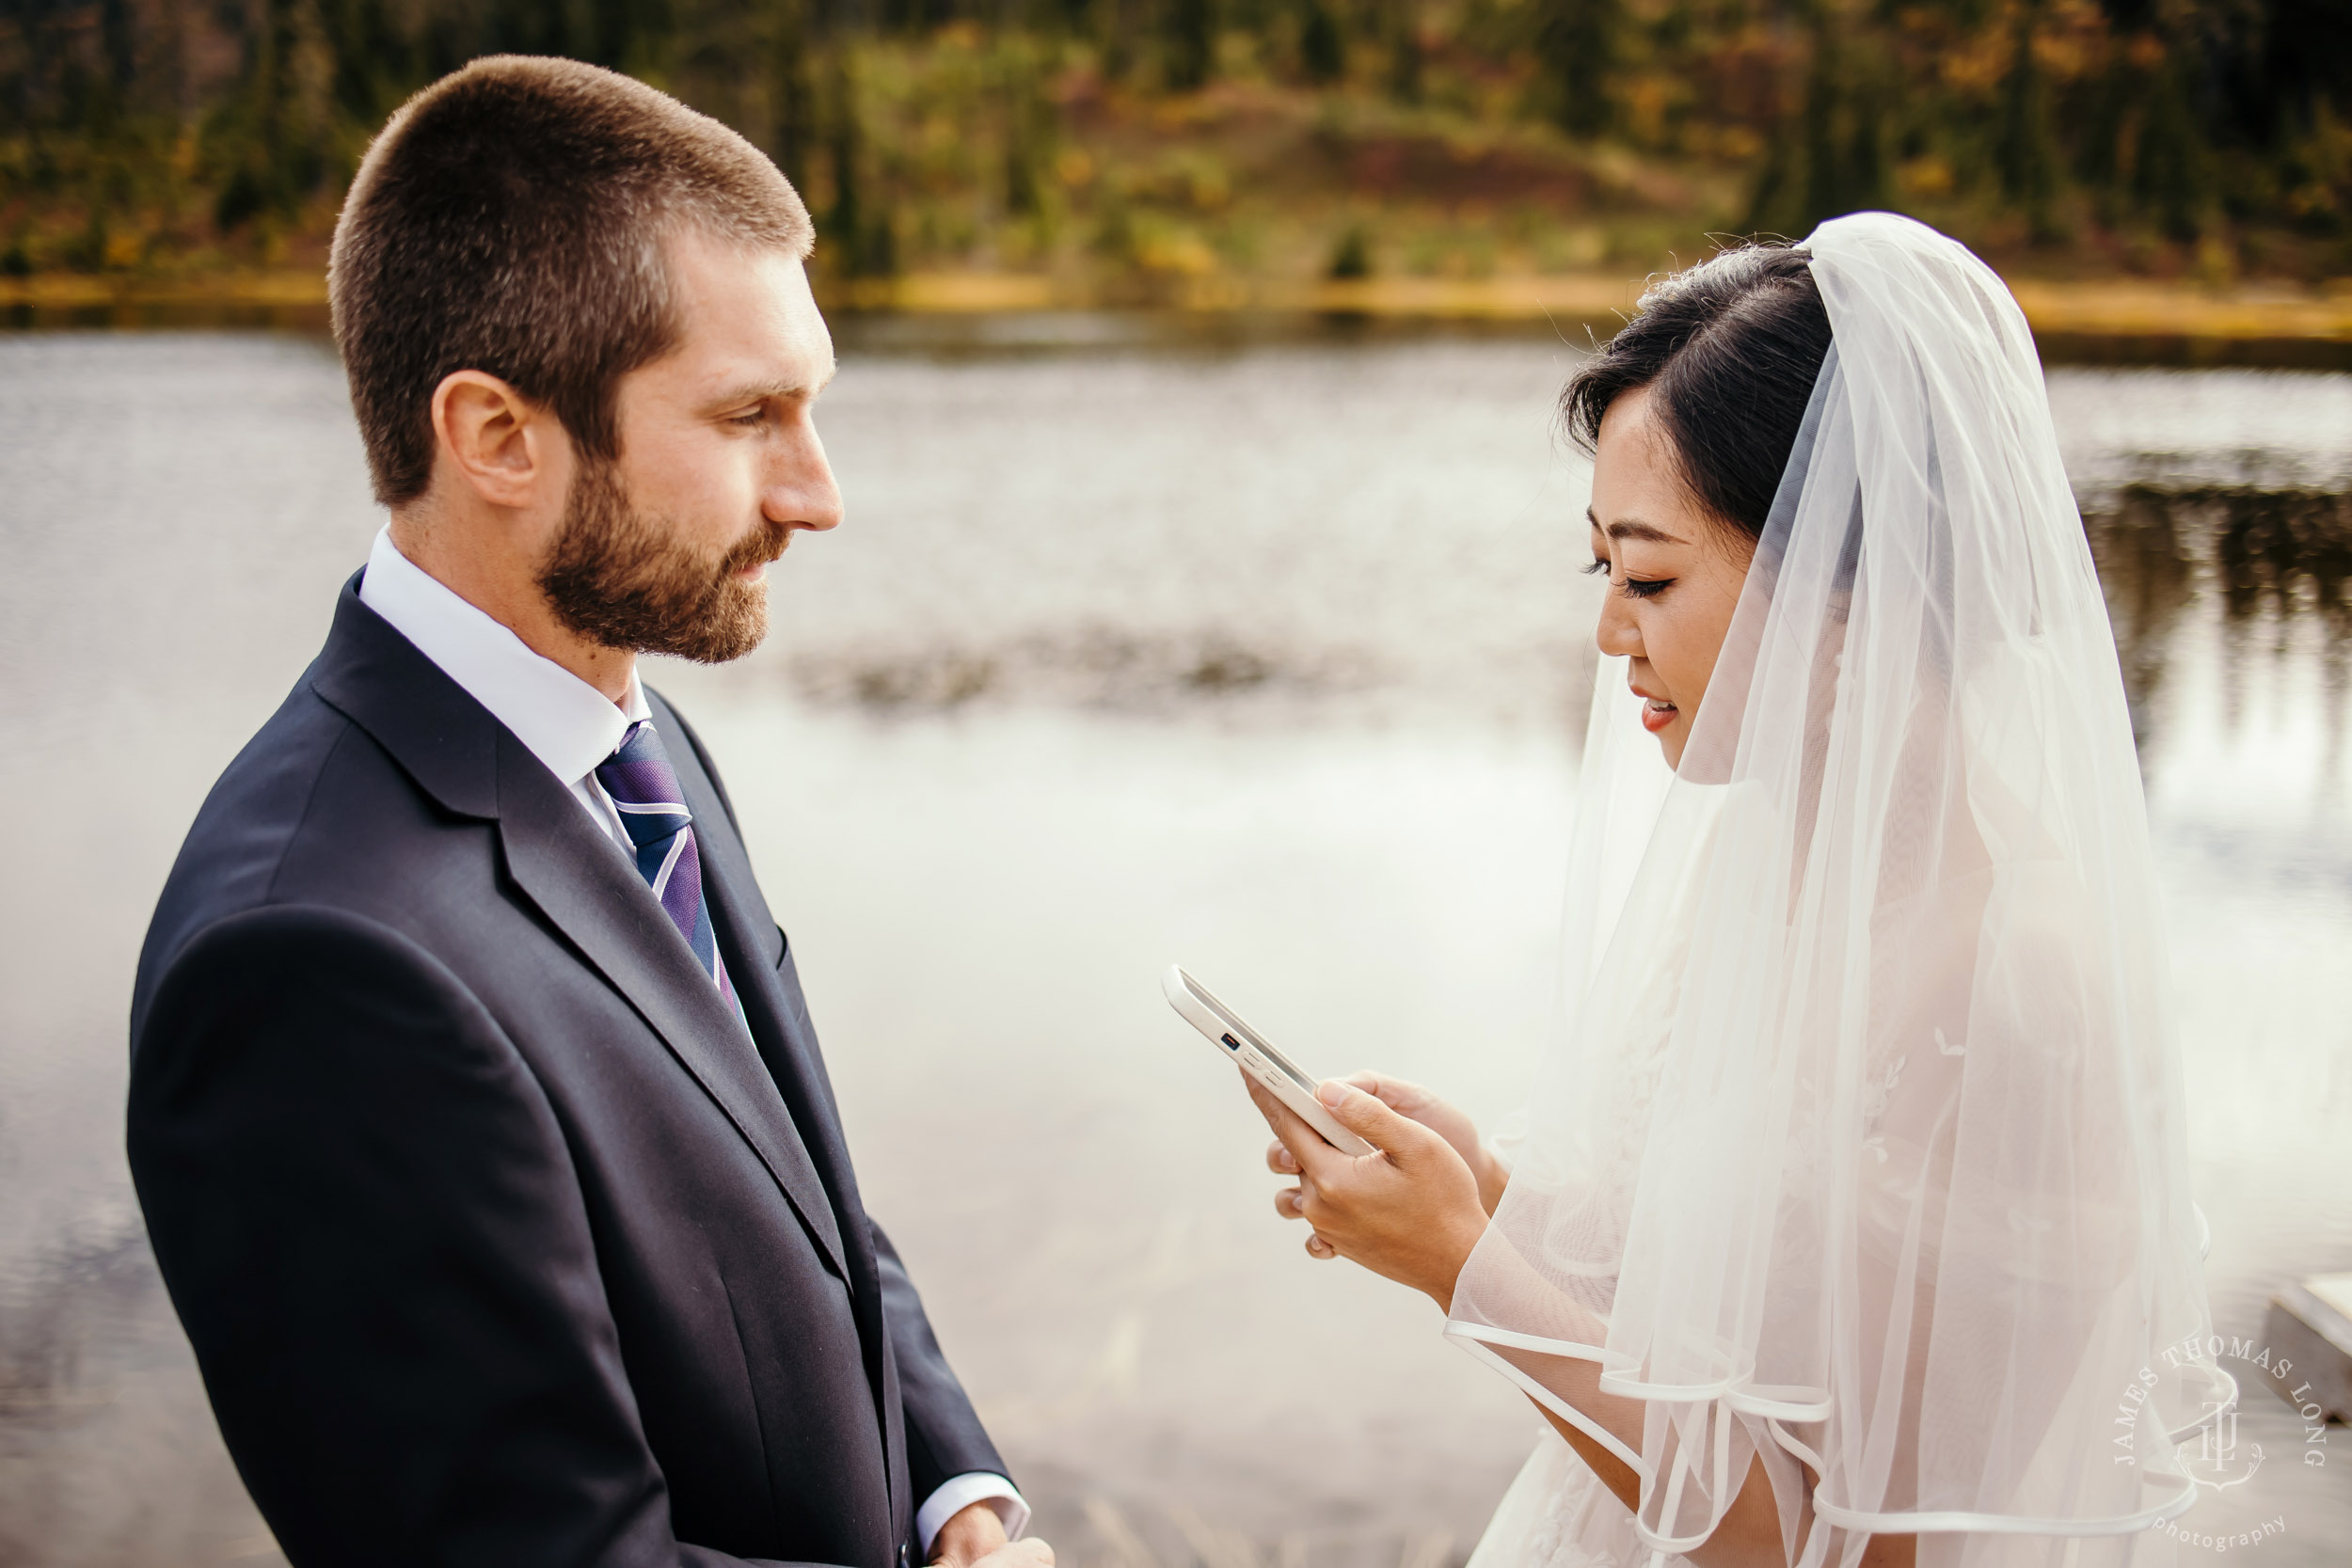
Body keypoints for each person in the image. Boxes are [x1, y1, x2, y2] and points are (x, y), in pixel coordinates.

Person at [126, 56, 1050, 1568]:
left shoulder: (638, 738)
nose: (819, 495)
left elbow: (801, 1207)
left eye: (810, 407)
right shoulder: (311, 963)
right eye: (752, 414)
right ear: (497, 436)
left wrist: (956, 1500)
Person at [1242, 214, 2229, 1568]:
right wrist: (1479, 1187)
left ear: (1851, 589)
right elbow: (1711, 1312)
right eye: (1604, 568)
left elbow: (1839, 1535)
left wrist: (1468, 1272)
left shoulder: (2019, 976)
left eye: (1650, 574)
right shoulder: (1760, 870)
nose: (1609, 635)